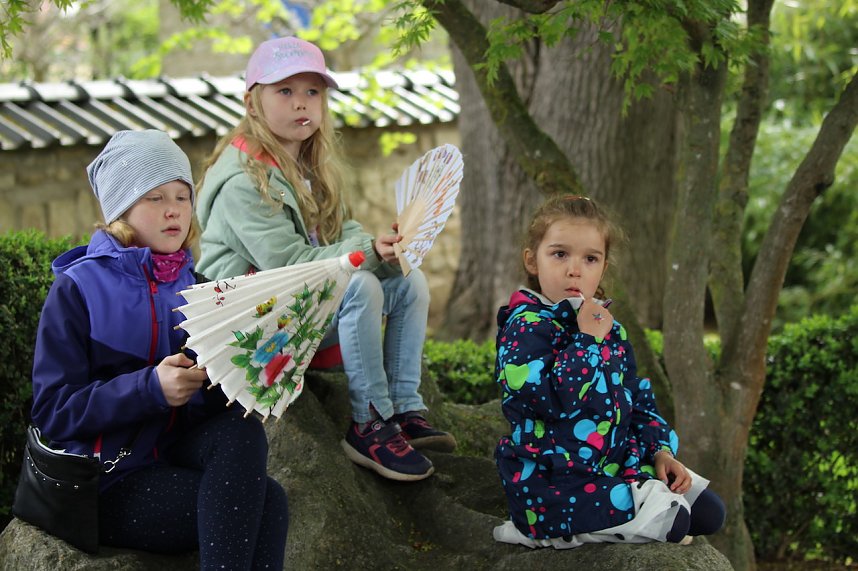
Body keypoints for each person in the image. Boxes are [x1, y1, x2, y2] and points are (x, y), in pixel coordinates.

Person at [194, 36, 455, 482]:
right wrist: (367, 255)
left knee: (408, 280)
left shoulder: (309, 165)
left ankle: (406, 409)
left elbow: (340, 231)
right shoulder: (242, 180)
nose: (303, 104)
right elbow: (292, 263)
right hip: (254, 326)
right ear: (252, 103)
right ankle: (369, 422)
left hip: (298, 309)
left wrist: (381, 246)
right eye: (285, 91)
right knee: (361, 283)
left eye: (313, 92)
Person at [30, 130, 289, 568]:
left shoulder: (199, 289)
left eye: (182, 196)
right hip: (101, 480)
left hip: (166, 452)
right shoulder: (77, 290)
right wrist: (150, 387)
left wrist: (247, 381)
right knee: (262, 502)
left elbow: (203, 413)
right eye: (154, 198)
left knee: (250, 452)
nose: (174, 210)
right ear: (121, 211)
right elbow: (54, 410)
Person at [492, 195, 725, 548]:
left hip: (613, 466)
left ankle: (632, 501)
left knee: (710, 512)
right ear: (532, 260)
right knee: (675, 522)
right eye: (559, 254)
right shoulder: (525, 327)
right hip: (555, 481)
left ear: (603, 267)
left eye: (590, 258)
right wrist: (586, 341)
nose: (575, 269)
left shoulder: (606, 326)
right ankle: (545, 530)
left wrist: (660, 452)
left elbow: (636, 396)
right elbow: (550, 402)